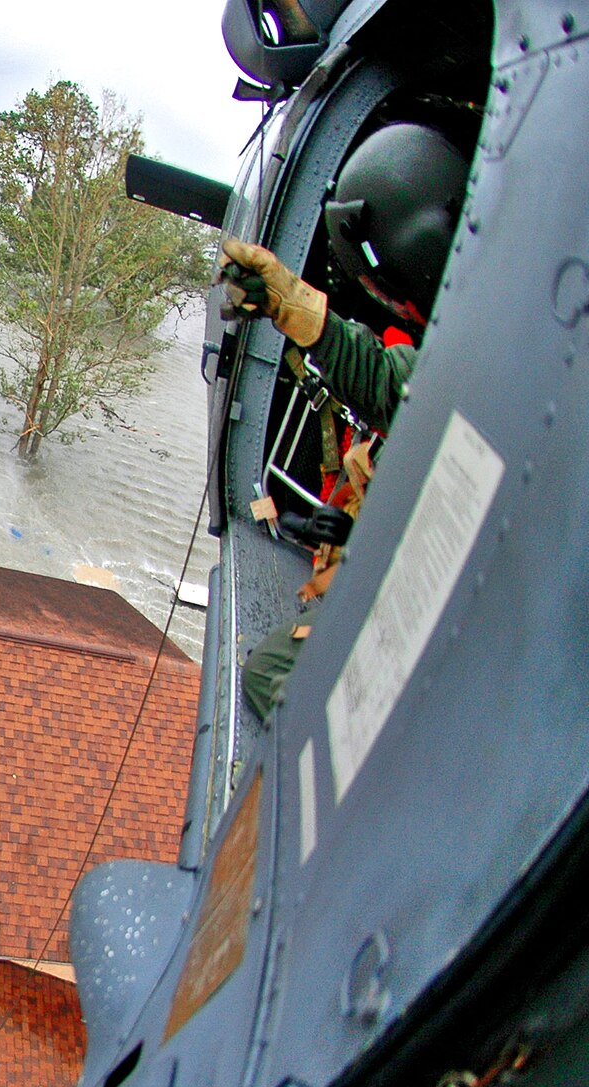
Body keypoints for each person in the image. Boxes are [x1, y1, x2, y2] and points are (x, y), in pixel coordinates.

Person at [223, 119, 469, 721]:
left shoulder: (476, 351)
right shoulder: (474, 330)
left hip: (438, 605)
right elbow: (392, 380)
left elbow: (392, 385)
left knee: (268, 674)